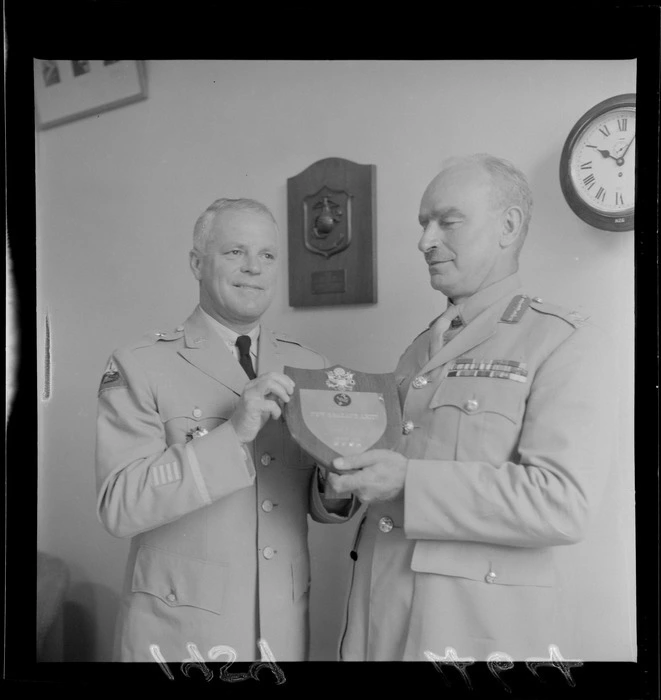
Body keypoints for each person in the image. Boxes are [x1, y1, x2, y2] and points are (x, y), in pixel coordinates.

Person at [329, 154, 615, 661]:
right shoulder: (419, 349)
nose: (425, 241)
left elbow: (562, 504)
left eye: (448, 221)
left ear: (508, 226)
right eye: (423, 224)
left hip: (471, 634)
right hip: (380, 620)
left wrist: (408, 483)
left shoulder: (559, 339)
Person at [96, 198, 358, 663]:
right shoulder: (140, 364)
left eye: (268, 255)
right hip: (181, 631)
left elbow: (320, 502)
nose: (253, 268)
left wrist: (335, 483)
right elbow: (119, 506)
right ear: (198, 263)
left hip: (281, 625)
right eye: (235, 252)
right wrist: (233, 433)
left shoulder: (311, 366)